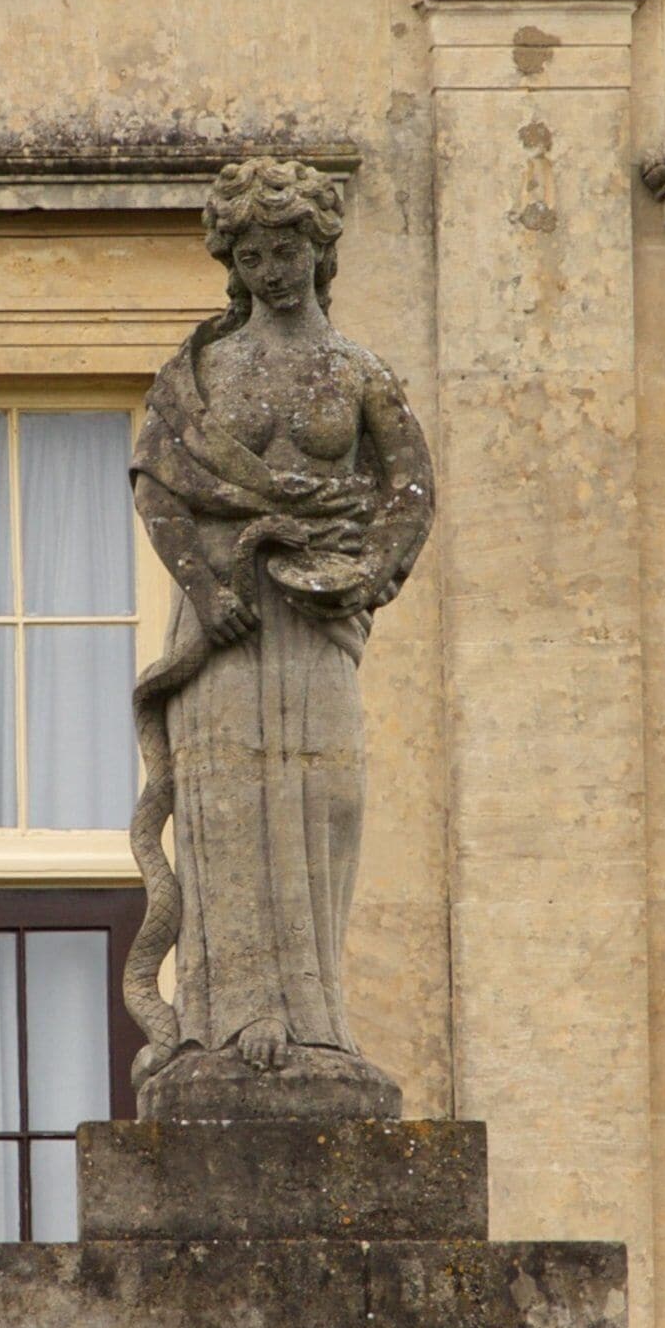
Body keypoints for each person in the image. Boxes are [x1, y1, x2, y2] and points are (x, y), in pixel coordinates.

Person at [124, 157, 438, 1119]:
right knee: (227, 812)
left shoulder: (357, 372)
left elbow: (410, 493)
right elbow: (158, 482)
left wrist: (367, 577)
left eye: (288, 247)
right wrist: (206, 585)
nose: (272, 268)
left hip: (318, 624)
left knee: (322, 800)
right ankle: (226, 1020)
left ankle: (317, 1019)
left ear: (319, 248)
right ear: (234, 261)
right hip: (226, 626)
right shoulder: (205, 371)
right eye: (253, 252)